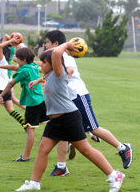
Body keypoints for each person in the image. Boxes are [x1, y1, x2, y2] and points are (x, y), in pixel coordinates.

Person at [16, 41, 125, 192]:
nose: (41, 65)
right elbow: (46, 71)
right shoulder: (48, 76)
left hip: (68, 118)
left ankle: (115, 175)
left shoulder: (58, 74)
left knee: (85, 149)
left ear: (53, 64)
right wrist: (38, 79)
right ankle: (34, 183)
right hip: (55, 121)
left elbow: (55, 54)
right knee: (43, 149)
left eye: (44, 62)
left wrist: (66, 44)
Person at [0, 47, 50, 162]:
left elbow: (11, 83)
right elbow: (20, 67)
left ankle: (25, 157)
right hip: (41, 99)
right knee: (51, 121)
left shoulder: (23, 70)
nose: (15, 59)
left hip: (32, 103)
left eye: (17, 57)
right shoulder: (34, 66)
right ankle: (65, 139)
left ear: (24, 59)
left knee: (30, 129)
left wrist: (1, 95)